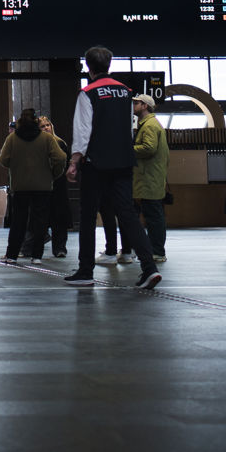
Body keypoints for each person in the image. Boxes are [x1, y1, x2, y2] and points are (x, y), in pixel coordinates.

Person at [64, 46, 160, 290]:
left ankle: (86, 270)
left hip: (96, 162)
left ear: (88, 66)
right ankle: (149, 268)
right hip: (123, 160)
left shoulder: (88, 93)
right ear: (109, 65)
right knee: (126, 213)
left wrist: (75, 161)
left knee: (88, 214)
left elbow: (83, 131)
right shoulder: (125, 92)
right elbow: (128, 127)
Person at [0, 111, 63, 263]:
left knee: (18, 221)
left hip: (20, 185)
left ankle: (12, 255)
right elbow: (60, 158)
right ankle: (36, 256)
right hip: (43, 186)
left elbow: (2, 159)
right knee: (40, 221)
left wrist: (14, 167)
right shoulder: (46, 138)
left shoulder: (12, 138)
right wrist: (54, 174)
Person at [131, 94, 169, 263]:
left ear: (145, 106)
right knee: (154, 215)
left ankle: (157, 251)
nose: (134, 106)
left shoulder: (149, 126)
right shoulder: (151, 124)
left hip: (149, 177)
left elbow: (148, 148)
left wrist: (128, 149)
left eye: (136, 103)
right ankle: (156, 250)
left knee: (153, 217)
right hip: (151, 177)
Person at [40, 115, 72, 259]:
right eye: (42, 126)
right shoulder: (37, 145)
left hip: (58, 184)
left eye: (48, 125)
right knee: (41, 218)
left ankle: (60, 248)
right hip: (42, 185)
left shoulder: (60, 143)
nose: (46, 127)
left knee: (60, 218)